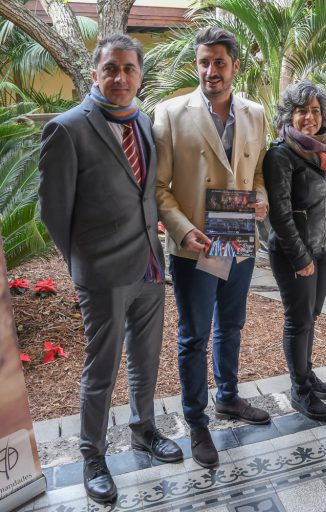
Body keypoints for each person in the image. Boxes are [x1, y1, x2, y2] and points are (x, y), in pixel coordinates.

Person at [38, 34, 182, 503]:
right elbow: (54, 213)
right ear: (96, 73)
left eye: (129, 69)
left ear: (140, 75)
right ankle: (92, 456)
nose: (120, 78)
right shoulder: (67, 129)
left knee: (145, 360)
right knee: (101, 370)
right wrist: (83, 262)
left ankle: (144, 429)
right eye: (111, 69)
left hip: (148, 267)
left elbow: (148, 194)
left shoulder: (142, 120)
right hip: (101, 275)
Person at [154, 27, 270, 469]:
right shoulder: (169, 114)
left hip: (237, 240)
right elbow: (159, 189)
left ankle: (228, 397)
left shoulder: (256, 113)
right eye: (204, 62)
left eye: (219, 62)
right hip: (195, 245)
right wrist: (182, 230)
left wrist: (260, 198)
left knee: (232, 325)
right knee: (193, 335)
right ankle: (196, 419)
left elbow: (259, 172)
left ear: (235, 66)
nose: (210, 71)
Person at [264, 80, 326, 421]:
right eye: (302, 111)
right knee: (298, 320)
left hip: (324, 248)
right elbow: (280, 214)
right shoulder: (280, 154)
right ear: (290, 114)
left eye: (315, 111)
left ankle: (307, 375)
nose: (309, 117)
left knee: (311, 316)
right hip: (293, 253)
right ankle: (300, 390)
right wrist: (300, 258)